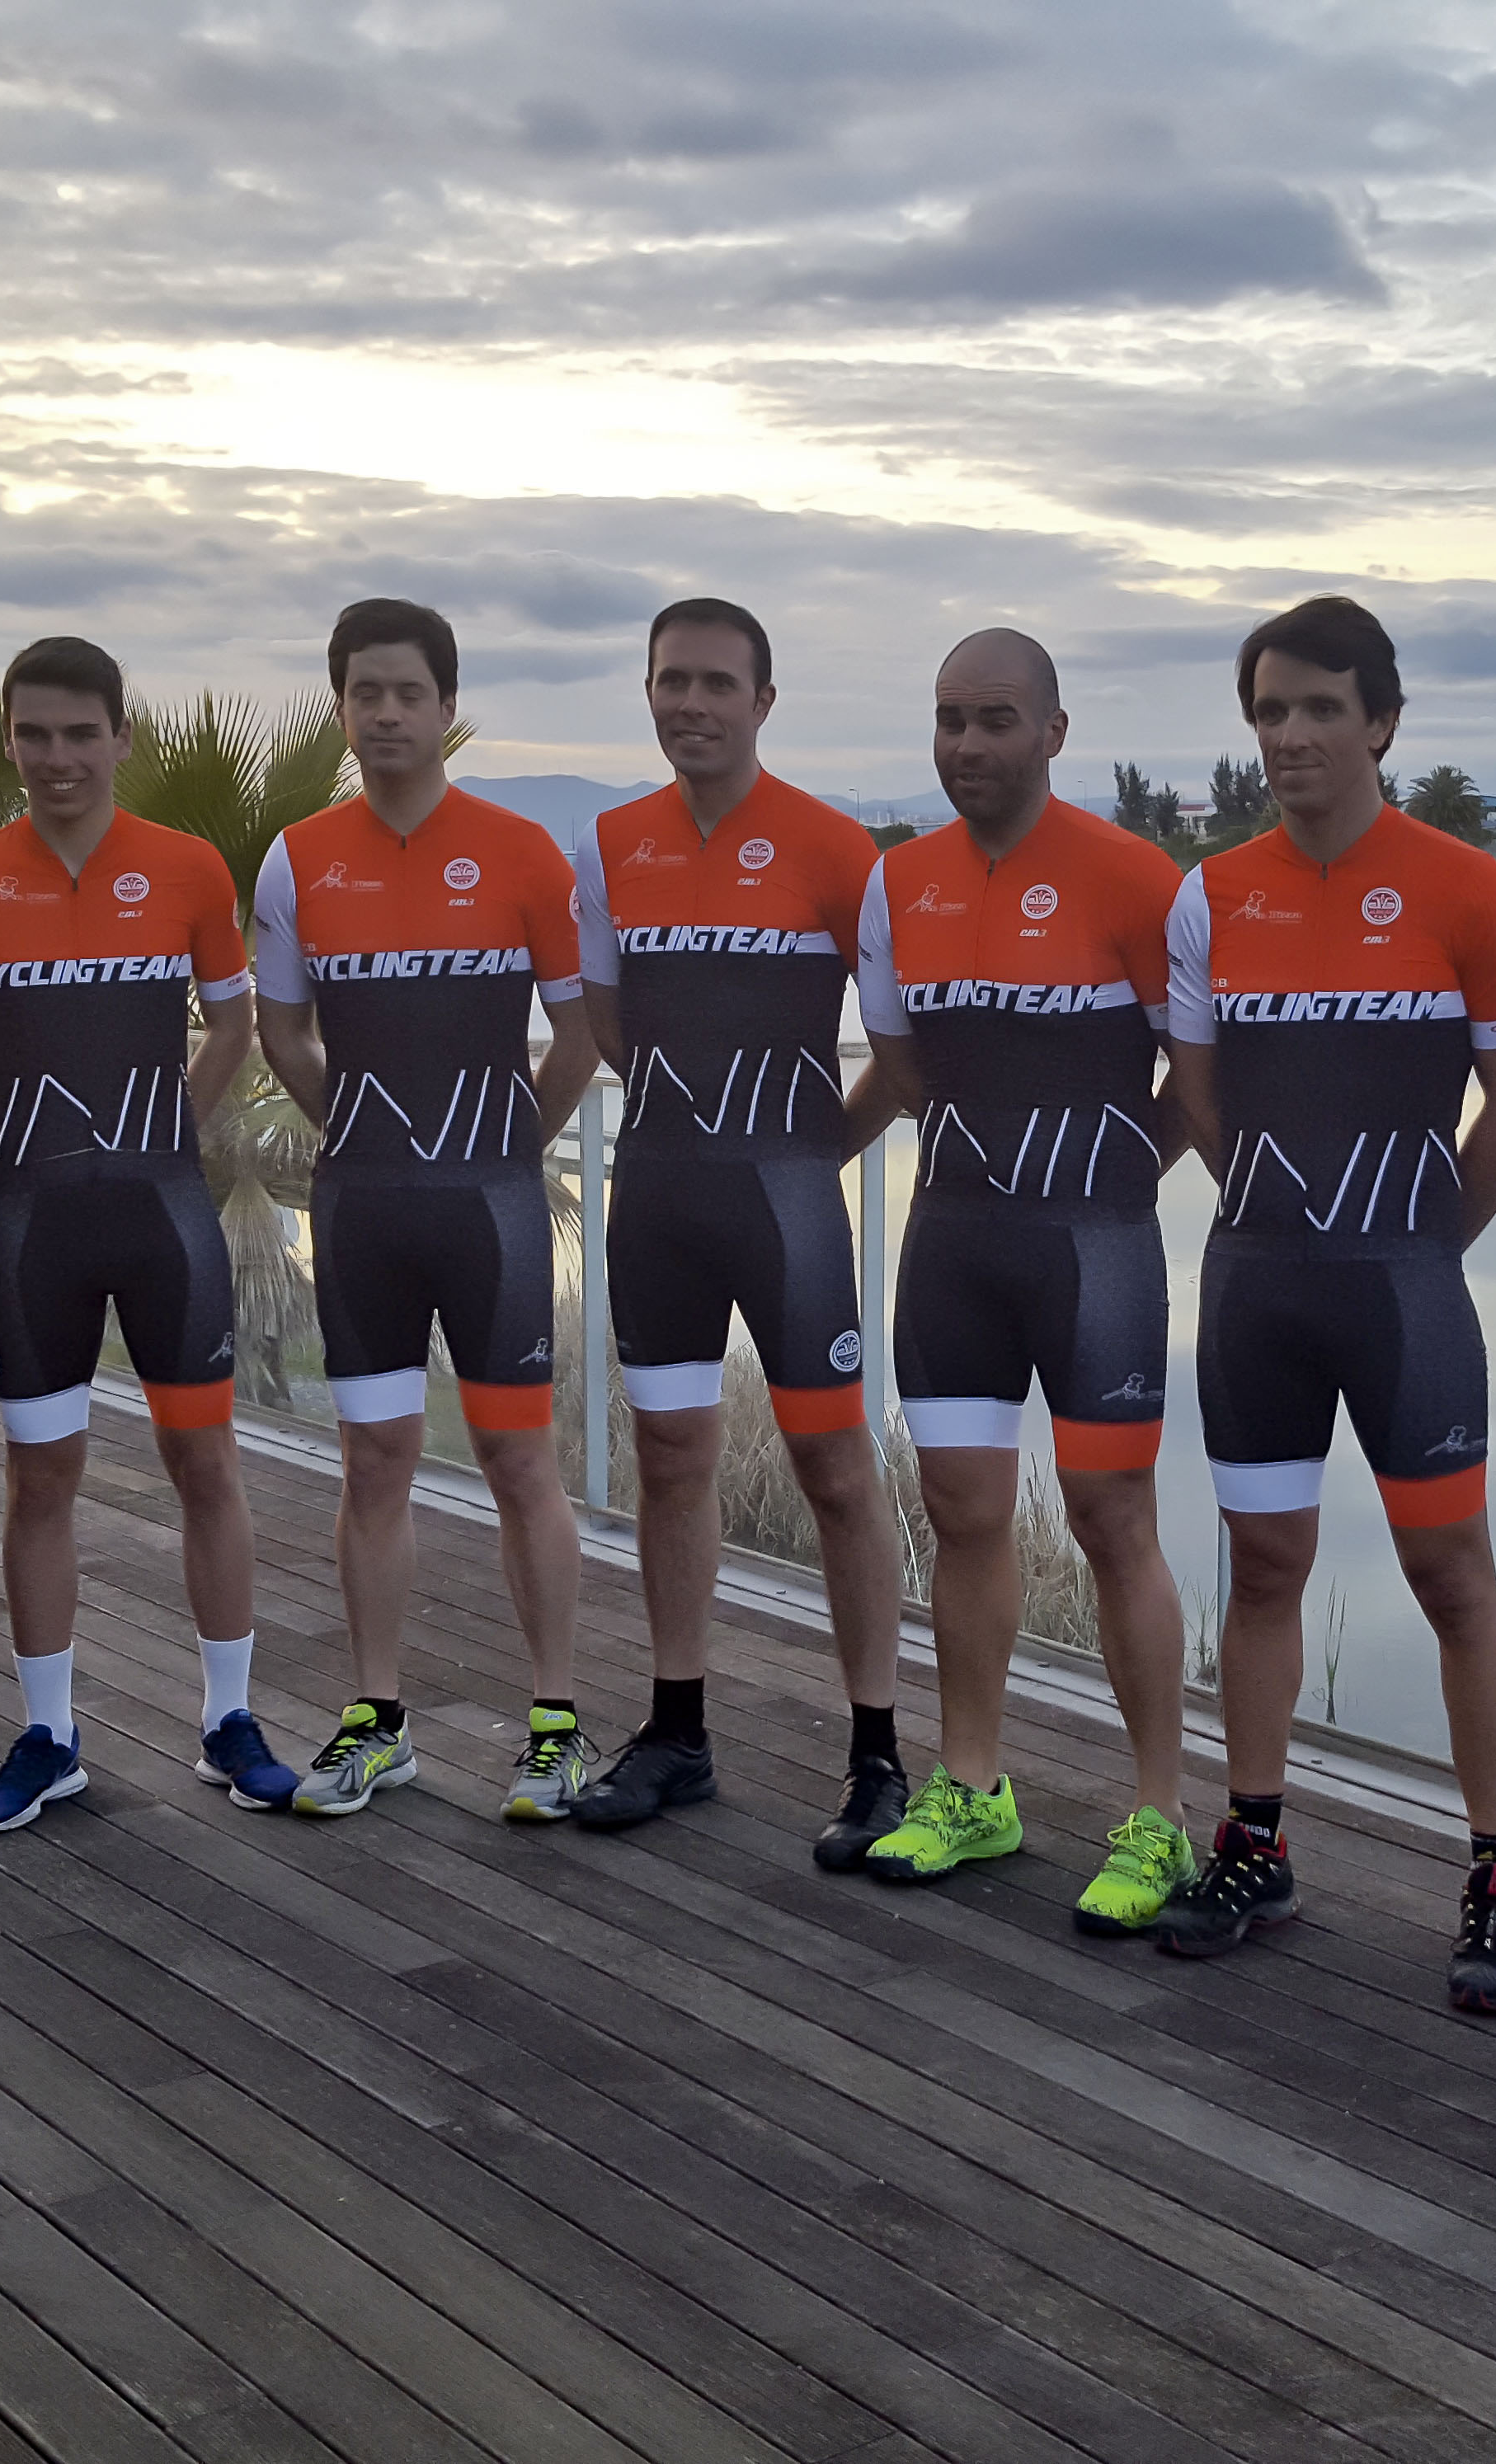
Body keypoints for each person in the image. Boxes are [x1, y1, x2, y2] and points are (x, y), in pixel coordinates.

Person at [1155, 595, 1496, 2013]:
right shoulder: (1212, 894)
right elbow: (1199, 1096)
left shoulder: (1469, 890)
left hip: (1406, 1295)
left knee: (1455, 1580)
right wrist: (1291, 1218)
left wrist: (1423, 1247)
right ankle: (1255, 1843)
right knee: (1262, 1570)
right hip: (1258, 1285)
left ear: (1381, 724)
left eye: (1322, 708)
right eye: (1271, 711)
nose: (1293, 735)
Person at [840, 628, 1197, 1921]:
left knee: (1112, 1519)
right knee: (962, 1511)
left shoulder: (1138, 877)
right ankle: (973, 1788)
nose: (968, 744)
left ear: (1053, 732)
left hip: (1096, 1250)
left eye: (996, 719)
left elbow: (1197, 1076)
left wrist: (1113, 1173)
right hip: (955, 1243)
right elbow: (903, 1068)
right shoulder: (900, 883)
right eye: (950, 719)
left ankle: (1160, 1819)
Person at [556, 600, 911, 1864]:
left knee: (835, 1470)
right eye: (672, 681)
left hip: (789, 1210)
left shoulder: (837, 850)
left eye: (716, 683)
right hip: (659, 1195)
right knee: (668, 1458)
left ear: (763, 702)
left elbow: (901, 1054)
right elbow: (606, 1023)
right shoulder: (609, 845)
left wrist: (810, 1157)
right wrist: (701, 1131)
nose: (691, 703)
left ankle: (878, 1756)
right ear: (649, 693)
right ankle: (677, 1734)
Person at [0, 636, 275, 1835]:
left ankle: (229, 1720)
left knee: (207, 1467)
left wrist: (171, 1131)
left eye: (81, 733)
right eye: (34, 734)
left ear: (123, 736)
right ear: (9, 741)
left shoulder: (186, 866)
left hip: (166, 1216)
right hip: (37, 1227)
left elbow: (233, 1023)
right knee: (39, 1480)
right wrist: (7, 1130)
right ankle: (49, 1737)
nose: (57, 756)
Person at [251, 598, 605, 1821]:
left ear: (448, 708)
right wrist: (358, 1126)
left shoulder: (521, 853)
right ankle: (378, 1719)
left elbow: (579, 1034)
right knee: (374, 1462)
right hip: (363, 1210)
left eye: (410, 693)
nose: (388, 714)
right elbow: (282, 1030)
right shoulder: (299, 858)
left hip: (490, 1210)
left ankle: (555, 1726)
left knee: (520, 1460)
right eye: (367, 694)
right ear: (341, 708)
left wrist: (510, 1145)